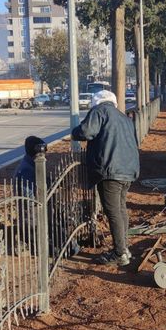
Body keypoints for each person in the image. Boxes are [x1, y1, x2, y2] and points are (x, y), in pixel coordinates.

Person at [71, 90, 140, 266]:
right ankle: (124, 248)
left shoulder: (100, 111)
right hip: (128, 170)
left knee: (113, 212)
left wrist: (75, 132)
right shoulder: (123, 117)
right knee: (121, 209)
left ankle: (119, 253)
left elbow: (86, 132)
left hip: (110, 170)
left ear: (97, 102)